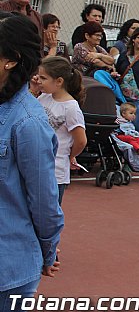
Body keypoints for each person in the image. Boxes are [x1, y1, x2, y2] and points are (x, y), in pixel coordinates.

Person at [0, 12, 63, 312]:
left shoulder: (28, 122)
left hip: (7, 269)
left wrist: (47, 250)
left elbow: (44, 201)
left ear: (10, 61)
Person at [37, 56, 87, 204]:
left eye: (43, 78)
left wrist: (69, 156)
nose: (38, 80)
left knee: (48, 215)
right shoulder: (44, 97)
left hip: (55, 171)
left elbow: (81, 140)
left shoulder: (71, 107)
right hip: (37, 165)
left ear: (59, 81)